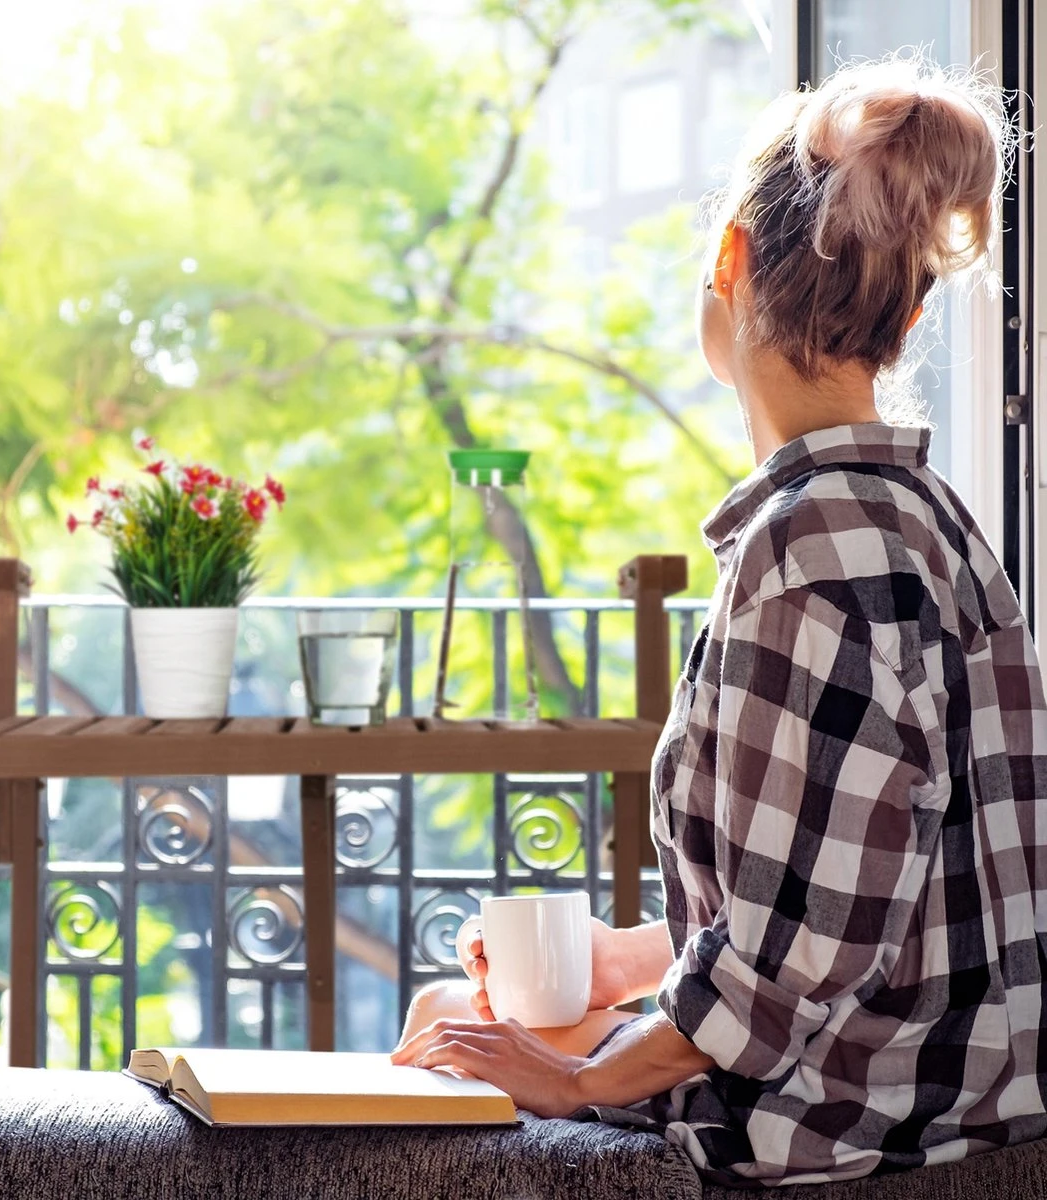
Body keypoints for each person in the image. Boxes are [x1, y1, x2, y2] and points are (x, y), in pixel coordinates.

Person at [391, 55, 1046, 1186]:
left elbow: (795, 966)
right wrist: (615, 962)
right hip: (944, 1076)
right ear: (913, 307)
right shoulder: (920, 519)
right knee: (454, 1010)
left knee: (446, 1034)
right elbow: (830, 884)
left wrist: (585, 1079)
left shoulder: (813, 554)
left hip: (863, 1121)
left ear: (727, 260)